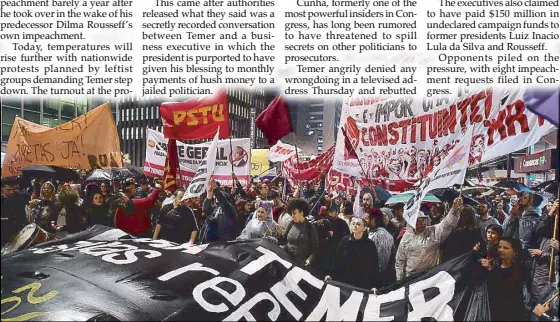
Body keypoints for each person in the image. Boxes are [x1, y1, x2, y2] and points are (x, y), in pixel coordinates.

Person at [395, 196, 462, 281]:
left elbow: (447, 224)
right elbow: (400, 261)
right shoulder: (406, 237)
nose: (421, 224)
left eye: (422, 220)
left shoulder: (433, 231)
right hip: (411, 279)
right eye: (417, 221)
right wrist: (400, 281)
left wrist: (454, 209)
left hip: (431, 277)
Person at [479, 237, 528, 321]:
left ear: (515, 252)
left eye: (506, 248)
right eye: (499, 247)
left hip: (511, 311)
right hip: (494, 309)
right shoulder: (494, 262)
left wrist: (491, 270)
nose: (501, 250)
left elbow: (508, 287)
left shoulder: (520, 268)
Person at [325, 217, 380, 290]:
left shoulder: (370, 244)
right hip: (345, 280)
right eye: (353, 224)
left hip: (362, 283)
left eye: (358, 224)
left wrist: (374, 285)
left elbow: (374, 266)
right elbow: (337, 260)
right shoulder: (345, 240)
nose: (355, 226)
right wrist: (331, 275)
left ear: (364, 228)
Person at [279, 198, 319, 268]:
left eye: (294, 213)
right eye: (291, 213)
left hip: (300, 263)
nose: (292, 216)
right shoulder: (290, 223)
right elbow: (282, 239)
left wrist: (309, 260)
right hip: (287, 260)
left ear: (302, 212)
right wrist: (279, 234)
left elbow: (315, 249)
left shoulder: (310, 228)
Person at [366, 208, 396, 287]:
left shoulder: (381, 235)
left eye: (366, 218)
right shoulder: (370, 231)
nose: (364, 221)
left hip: (379, 279)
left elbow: (382, 261)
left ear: (373, 220)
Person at [1, 178, 29, 247]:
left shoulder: (20, 198)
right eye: (8, 190)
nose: (11, 192)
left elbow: (23, 217)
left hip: (18, 233)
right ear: (2, 189)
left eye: (14, 189)